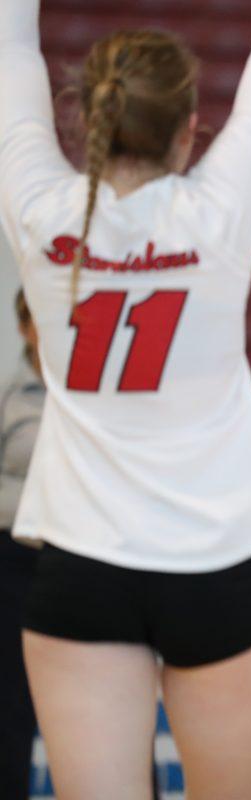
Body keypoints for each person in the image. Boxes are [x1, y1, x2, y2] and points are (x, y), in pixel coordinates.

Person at [0, 1, 251, 796]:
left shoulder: (41, 215)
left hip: (79, 567)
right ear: (189, 130)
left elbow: (11, 49)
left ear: (86, 121)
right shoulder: (215, 214)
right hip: (211, 564)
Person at [0, 289, 44, 800]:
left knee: (111, 701)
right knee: (12, 706)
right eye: (35, 319)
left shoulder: (99, 393)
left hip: (90, 561)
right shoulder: (11, 395)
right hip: (17, 562)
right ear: (22, 327)